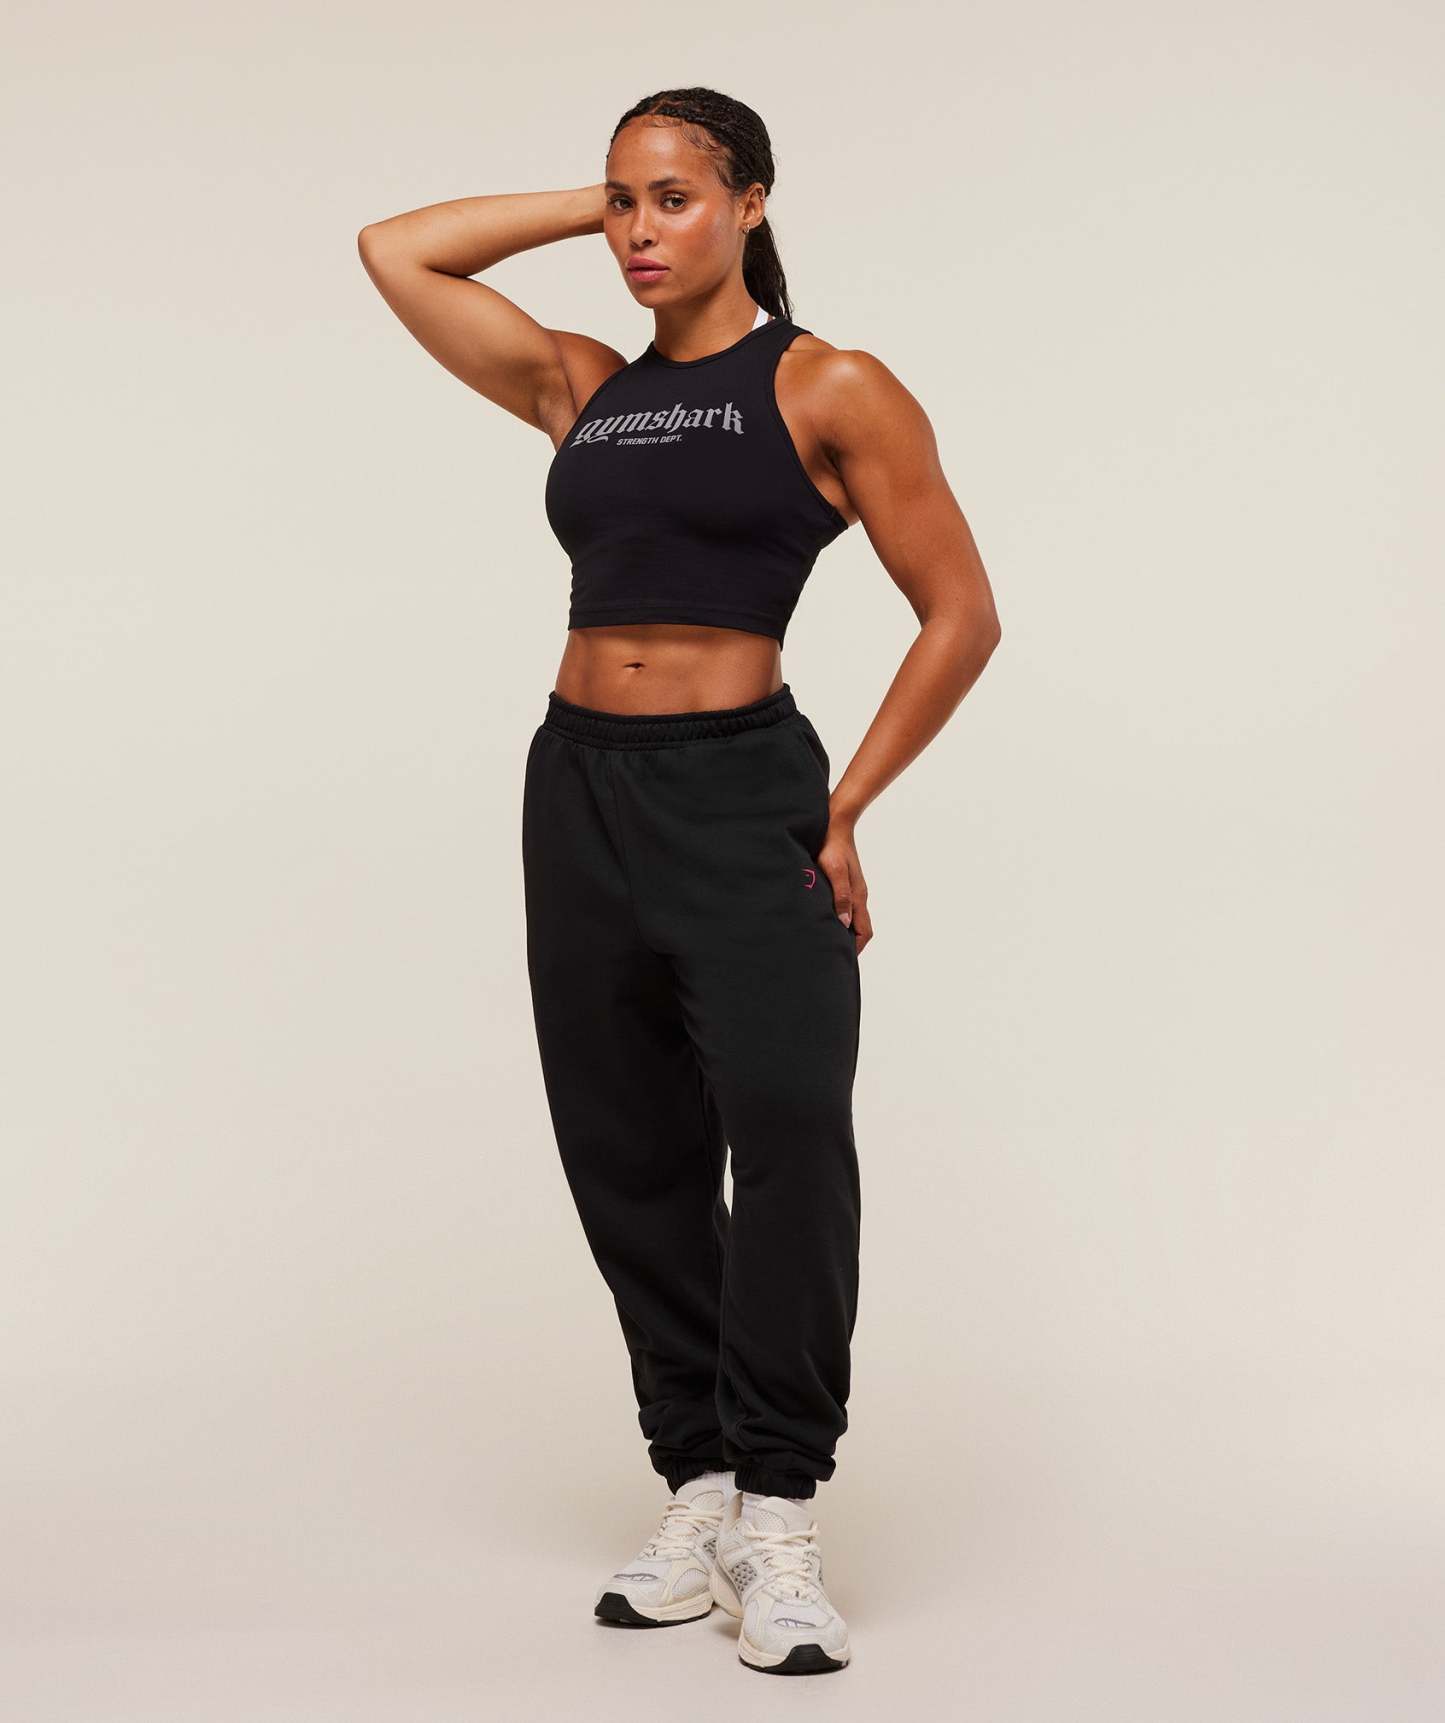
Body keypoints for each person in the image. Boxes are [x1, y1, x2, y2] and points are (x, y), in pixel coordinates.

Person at [359, 85, 1001, 1677]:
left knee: (785, 1140)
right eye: (621, 201)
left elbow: (960, 612)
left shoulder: (825, 383)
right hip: (575, 788)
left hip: (740, 790)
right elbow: (397, 252)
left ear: (751, 204)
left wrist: (843, 807)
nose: (639, 230)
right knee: (627, 1150)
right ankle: (697, 1487)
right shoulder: (585, 386)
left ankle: (779, 1514)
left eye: (674, 198)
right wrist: (590, 203)